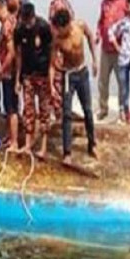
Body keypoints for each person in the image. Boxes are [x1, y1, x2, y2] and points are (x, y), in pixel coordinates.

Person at [50, 9, 98, 163]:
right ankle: (67, 153)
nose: (58, 31)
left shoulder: (80, 26)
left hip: (82, 72)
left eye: (60, 28)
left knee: (88, 110)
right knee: (66, 114)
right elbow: (52, 64)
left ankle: (92, 144)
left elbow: (91, 37)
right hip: (68, 75)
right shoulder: (57, 40)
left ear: (67, 25)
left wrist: (95, 60)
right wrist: (51, 85)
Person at [14, 3, 53, 158]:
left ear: (33, 17)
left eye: (29, 20)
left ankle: (43, 147)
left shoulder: (43, 27)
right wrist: (18, 79)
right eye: (25, 21)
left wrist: (51, 77)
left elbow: (52, 51)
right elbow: (18, 55)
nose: (27, 24)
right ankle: (28, 144)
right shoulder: (19, 30)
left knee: (44, 111)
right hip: (27, 75)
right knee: (28, 110)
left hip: (42, 74)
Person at [95, 0, 127, 120]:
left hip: (119, 49)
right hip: (105, 49)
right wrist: (97, 34)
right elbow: (101, 20)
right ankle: (103, 108)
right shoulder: (104, 3)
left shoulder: (123, 1)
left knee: (122, 81)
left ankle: (123, 109)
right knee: (103, 81)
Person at [0, 0, 19, 150]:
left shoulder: (8, 24)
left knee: (11, 107)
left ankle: (14, 141)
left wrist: (1, 70)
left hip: (10, 72)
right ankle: (9, 136)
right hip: (7, 71)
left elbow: (12, 51)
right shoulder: (9, 22)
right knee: (8, 106)